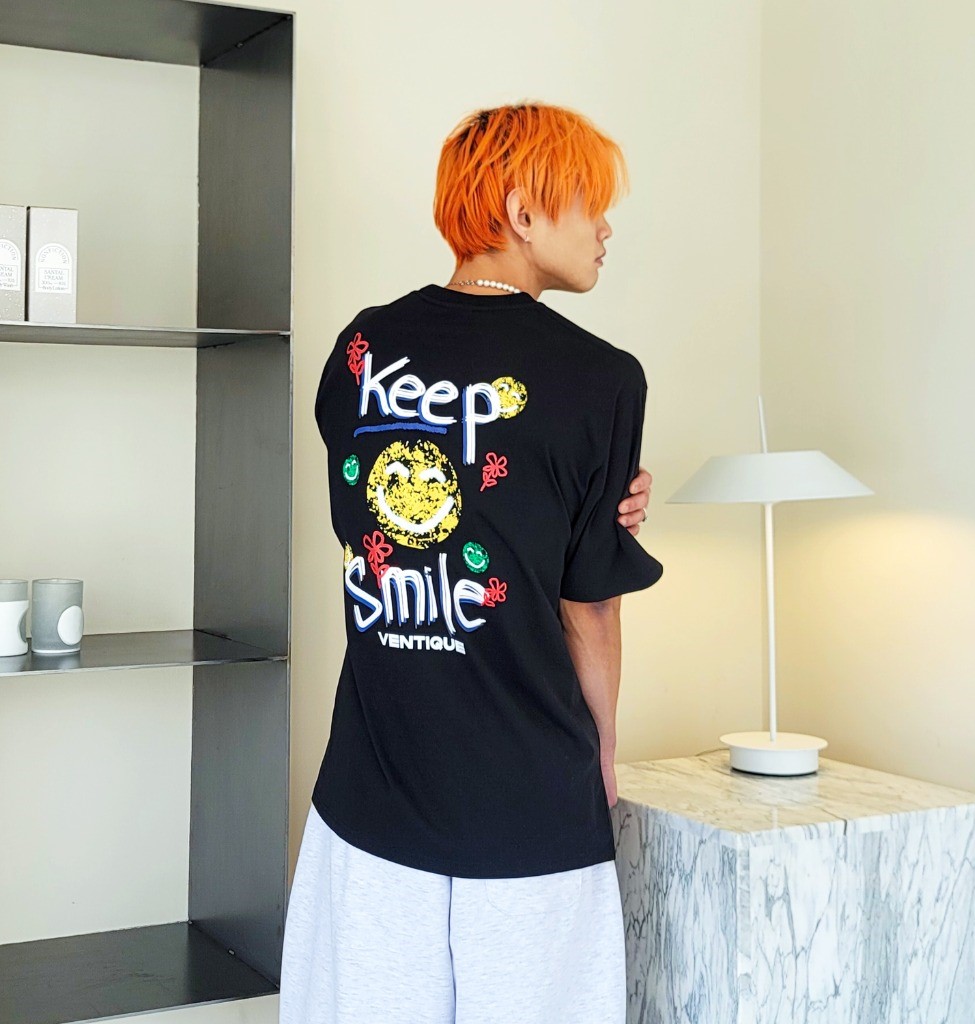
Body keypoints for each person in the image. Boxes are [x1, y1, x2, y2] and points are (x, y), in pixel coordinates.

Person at [279, 102, 663, 1024]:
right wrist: (604, 749)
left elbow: (369, 523)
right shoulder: (602, 379)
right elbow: (588, 607)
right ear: (523, 211)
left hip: (371, 792)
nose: (606, 228)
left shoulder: (360, 349)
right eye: (590, 203)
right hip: (529, 807)